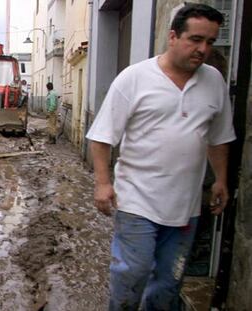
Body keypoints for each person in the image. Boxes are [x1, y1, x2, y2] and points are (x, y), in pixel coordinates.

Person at [86, 4, 236, 310]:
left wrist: (220, 179)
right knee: (132, 274)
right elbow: (101, 136)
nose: (202, 49)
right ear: (172, 36)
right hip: (136, 202)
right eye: (195, 39)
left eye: (209, 42)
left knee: (169, 282)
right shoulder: (135, 78)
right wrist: (103, 183)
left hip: (186, 207)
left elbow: (218, 138)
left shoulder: (214, 82)